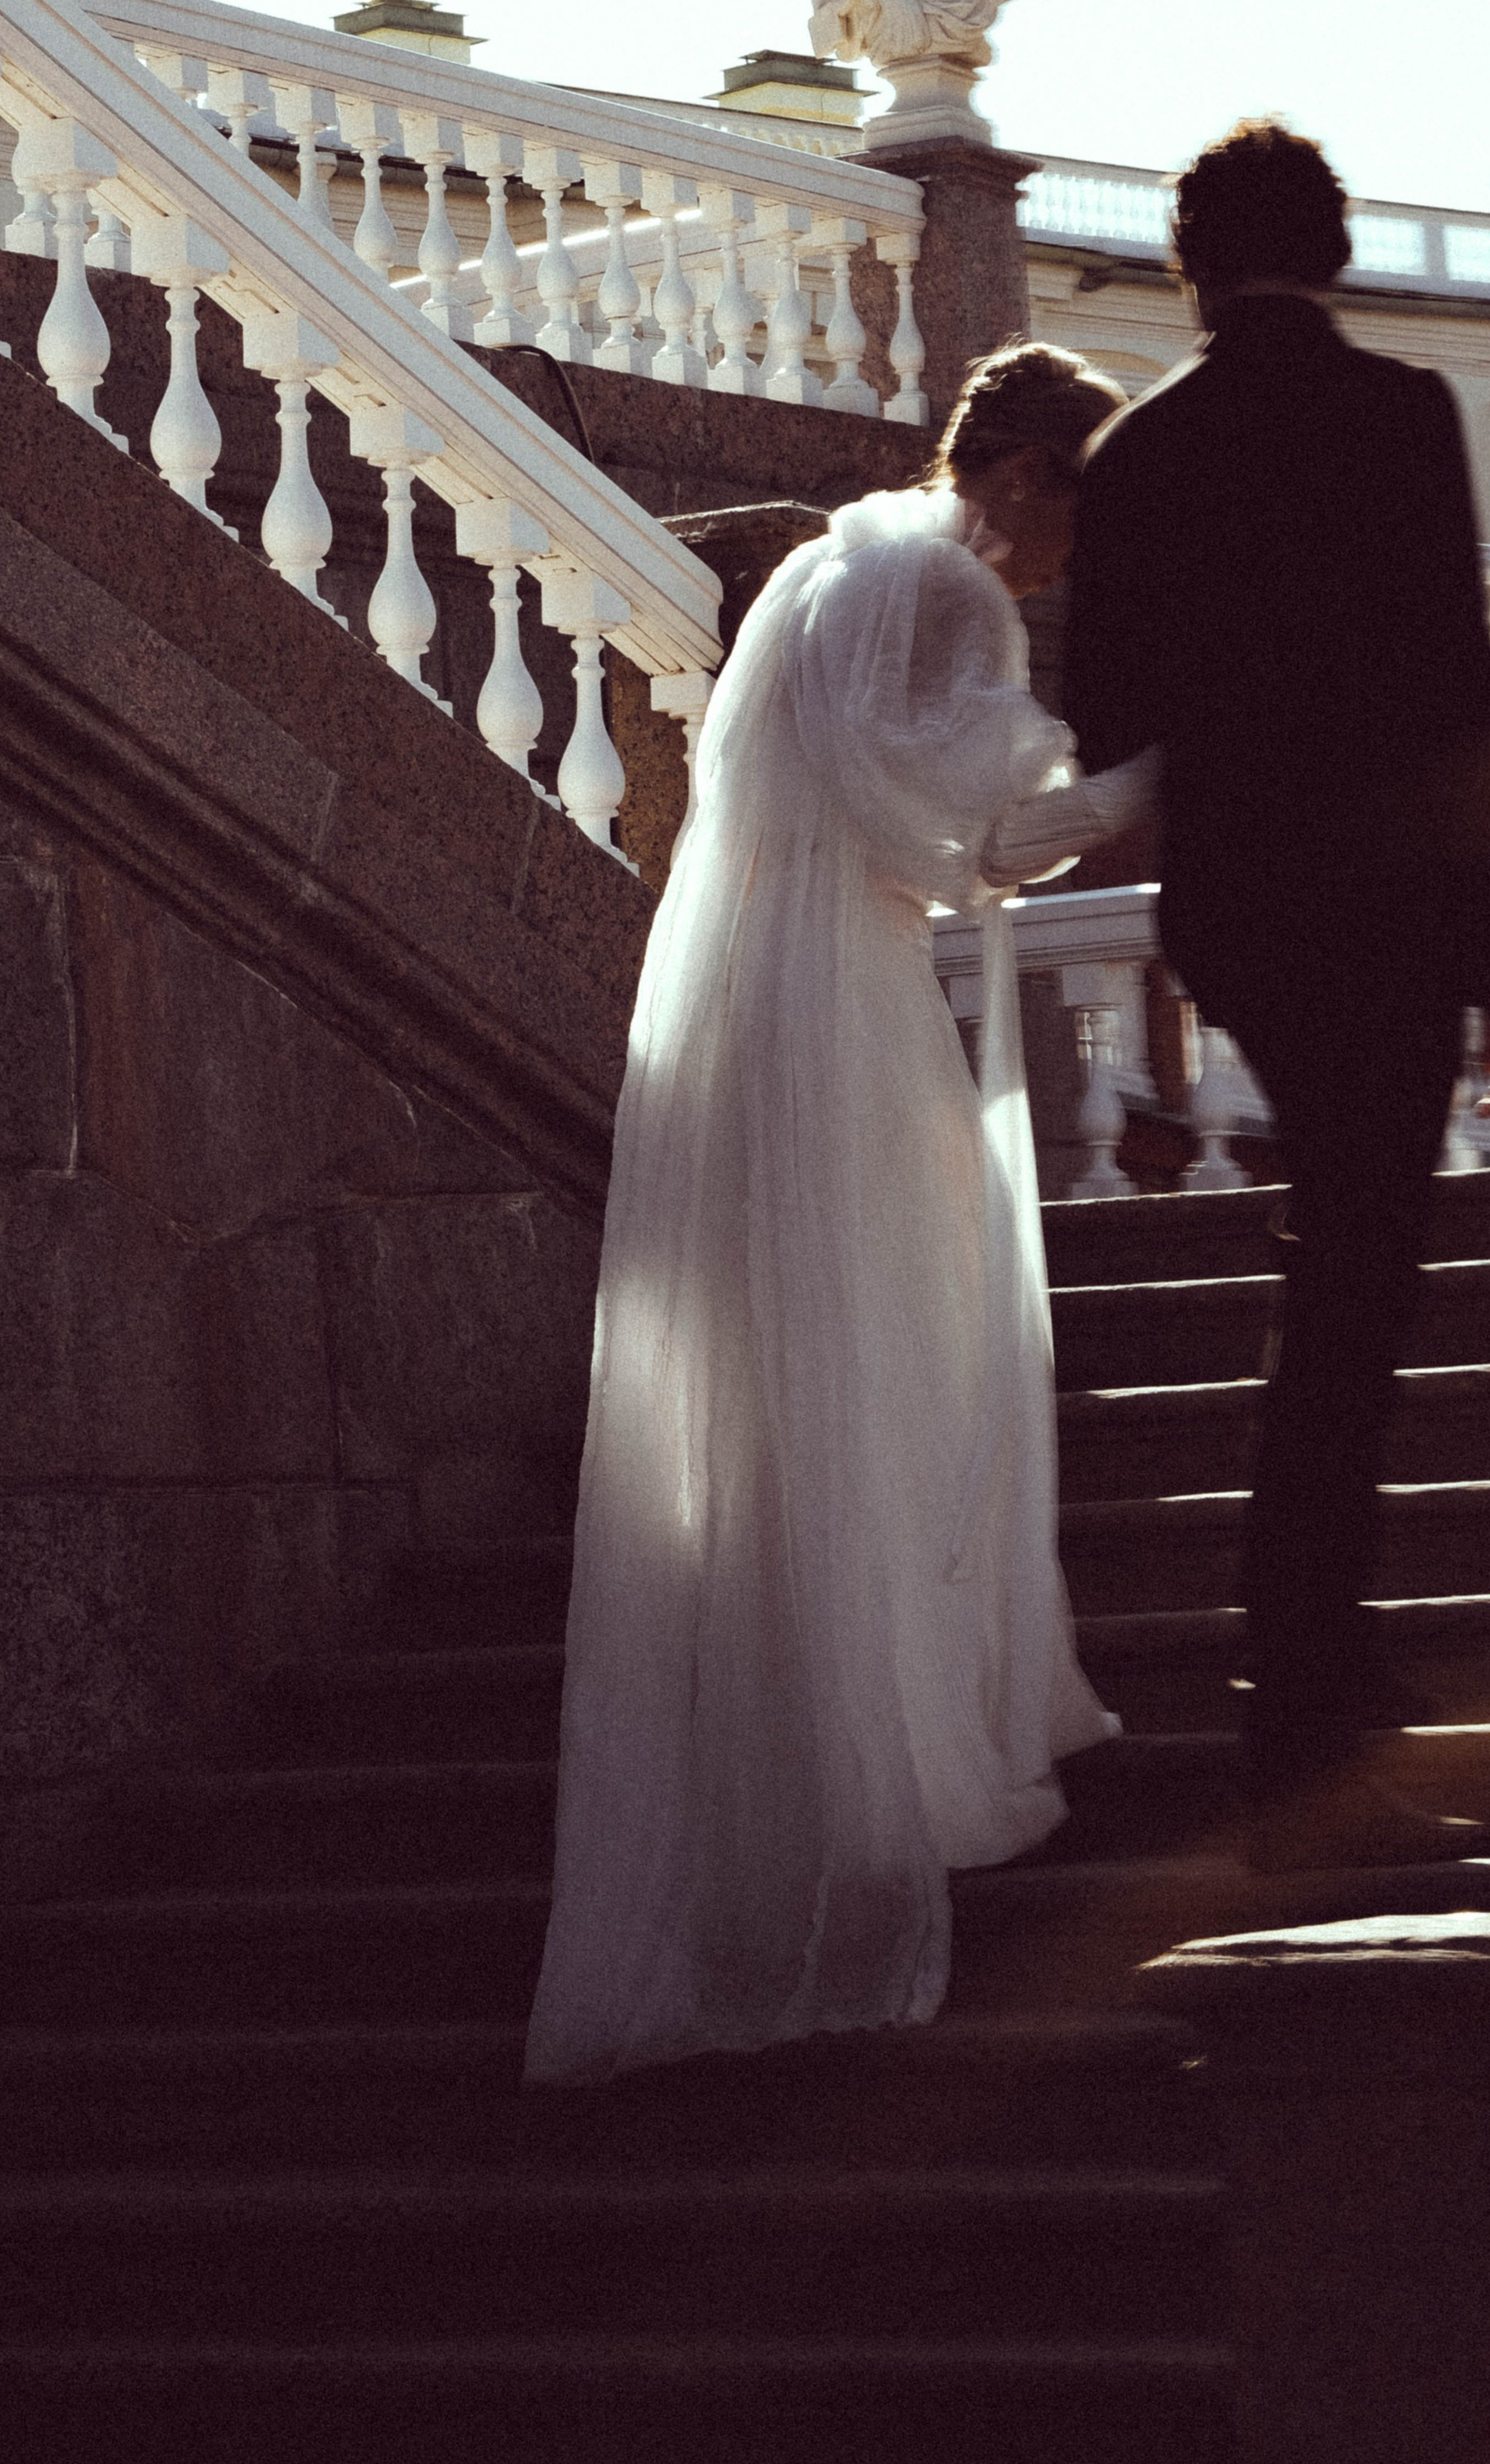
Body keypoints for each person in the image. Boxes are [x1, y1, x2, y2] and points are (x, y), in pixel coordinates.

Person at [526, 343, 1152, 2083]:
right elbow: (963, 841)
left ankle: (808, 1766)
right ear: (1023, 476)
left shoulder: (827, 568)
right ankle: (882, 1776)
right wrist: (1142, 791)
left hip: (750, 1008)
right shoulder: (947, 588)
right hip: (848, 1013)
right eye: (1078, 516)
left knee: (795, 1385)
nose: (1070, 565)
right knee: (905, 1354)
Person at [1060, 118, 1490, 1872]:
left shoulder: (1140, 448)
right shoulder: (1402, 412)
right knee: (1354, 1285)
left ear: (1191, 265)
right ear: (1330, 251)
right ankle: (1300, 1699)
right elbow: (1458, 684)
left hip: (1243, 915)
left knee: (1334, 1266)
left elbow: (1107, 712)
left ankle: (1314, 1677)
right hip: (1394, 910)